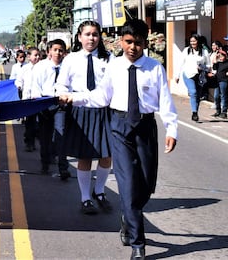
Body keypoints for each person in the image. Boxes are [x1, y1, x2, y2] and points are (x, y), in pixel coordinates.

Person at [59, 19, 178, 260]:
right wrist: (74, 98)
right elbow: (100, 97)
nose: (133, 47)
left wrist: (171, 129)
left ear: (146, 43)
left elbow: (165, 101)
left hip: (145, 127)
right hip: (119, 127)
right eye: (128, 42)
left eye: (138, 43)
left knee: (145, 185)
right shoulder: (114, 67)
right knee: (127, 183)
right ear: (121, 42)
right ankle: (138, 244)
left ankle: (128, 216)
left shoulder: (155, 68)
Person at [55, 20, 113, 215]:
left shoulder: (109, 58)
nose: (91, 38)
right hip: (80, 110)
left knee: (106, 155)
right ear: (79, 37)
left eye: (95, 34)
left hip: (103, 110)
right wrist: (63, 95)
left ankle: (100, 191)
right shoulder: (71, 59)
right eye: (87, 34)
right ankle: (85, 198)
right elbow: (61, 84)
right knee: (85, 156)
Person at [33, 39, 69, 177]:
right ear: (49, 51)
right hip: (45, 103)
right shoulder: (41, 67)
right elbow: (36, 86)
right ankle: (45, 163)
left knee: (61, 134)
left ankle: (63, 167)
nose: (58, 53)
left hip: (61, 104)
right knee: (45, 136)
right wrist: (37, 100)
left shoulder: (67, 67)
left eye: (61, 50)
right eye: (55, 50)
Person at [175, 34, 210, 122]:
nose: (193, 43)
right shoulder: (186, 50)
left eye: (194, 41)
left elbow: (209, 65)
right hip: (188, 74)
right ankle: (194, 112)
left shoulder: (204, 52)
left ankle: (195, 112)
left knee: (198, 95)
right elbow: (180, 63)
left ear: (198, 41)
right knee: (193, 92)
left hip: (200, 76)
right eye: (191, 41)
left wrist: (203, 67)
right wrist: (177, 75)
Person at [16, 47, 41, 153]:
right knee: (29, 123)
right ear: (29, 57)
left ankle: (40, 142)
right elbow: (19, 81)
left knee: (39, 123)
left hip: (39, 100)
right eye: (35, 55)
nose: (37, 57)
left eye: (38, 55)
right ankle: (29, 143)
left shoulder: (43, 68)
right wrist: (19, 86)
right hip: (28, 100)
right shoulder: (24, 69)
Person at [211, 49, 228, 120]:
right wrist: (215, 58)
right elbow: (214, 67)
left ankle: (224, 112)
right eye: (219, 56)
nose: (220, 57)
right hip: (217, 81)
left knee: (224, 96)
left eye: (222, 56)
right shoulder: (218, 63)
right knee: (216, 96)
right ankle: (218, 110)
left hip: (224, 81)